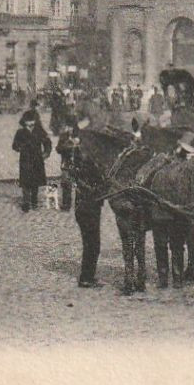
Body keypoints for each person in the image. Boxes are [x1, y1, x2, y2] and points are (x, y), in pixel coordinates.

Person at [61, 122, 107, 288]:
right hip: (89, 208)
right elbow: (96, 183)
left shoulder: (78, 159)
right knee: (93, 245)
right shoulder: (88, 162)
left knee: (91, 244)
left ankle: (88, 276)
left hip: (83, 207)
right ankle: (86, 278)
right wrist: (101, 189)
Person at [12, 108, 52, 213]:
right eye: (27, 121)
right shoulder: (20, 132)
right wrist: (20, 147)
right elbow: (14, 145)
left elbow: (47, 143)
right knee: (25, 183)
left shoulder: (39, 131)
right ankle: (26, 203)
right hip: (25, 160)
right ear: (24, 121)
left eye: (32, 121)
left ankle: (34, 201)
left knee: (35, 182)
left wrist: (46, 153)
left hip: (37, 159)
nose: (30, 123)